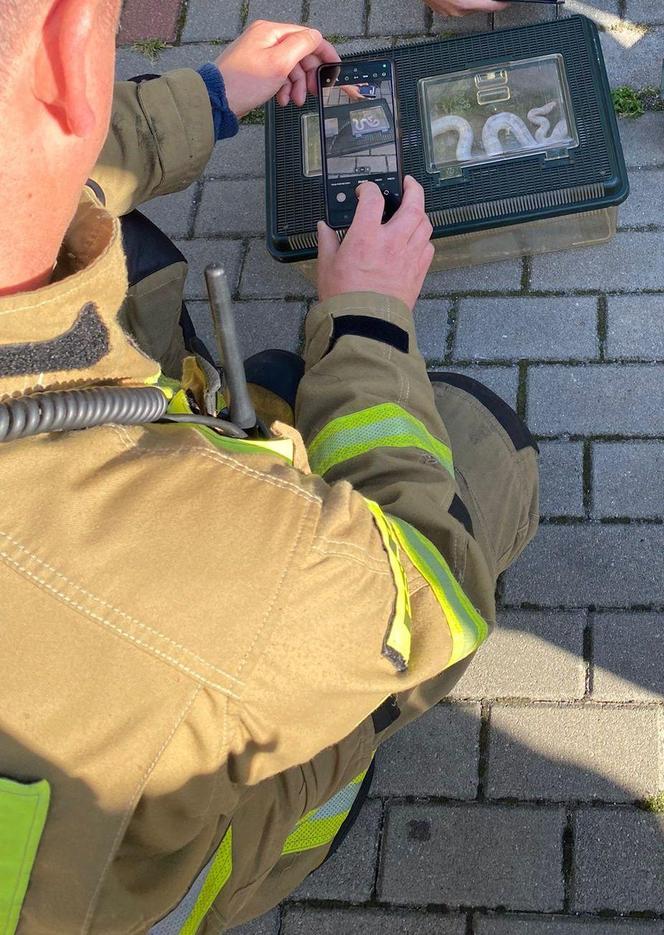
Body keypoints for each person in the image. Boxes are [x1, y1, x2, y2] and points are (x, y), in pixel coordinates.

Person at [0, 4, 539, 934]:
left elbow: (56, 163)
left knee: (159, 273)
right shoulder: (224, 563)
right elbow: (433, 593)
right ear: (66, 47)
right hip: (184, 857)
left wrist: (210, 94)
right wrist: (367, 319)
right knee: (482, 443)